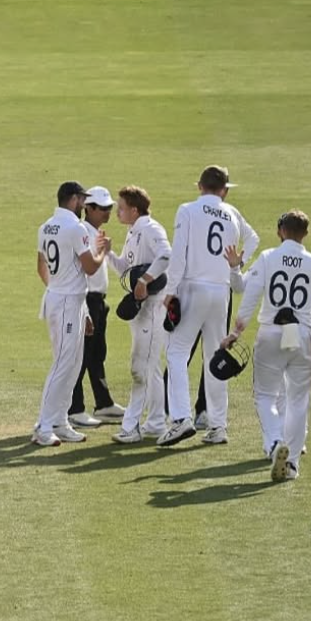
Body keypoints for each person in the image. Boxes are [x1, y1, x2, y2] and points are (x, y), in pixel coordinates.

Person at [220, 210, 311, 482]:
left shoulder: (267, 257)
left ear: (279, 231)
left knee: (265, 396)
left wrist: (235, 332)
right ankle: (292, 464)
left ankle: (274, 442)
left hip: (271, 331)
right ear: (305, 233)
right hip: (301, 333)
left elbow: (244, 293)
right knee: (298, 400)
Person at [160, 164, 259, 447]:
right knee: (215, 358)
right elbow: (254, 238)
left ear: (199, 186)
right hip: (221, 290)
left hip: (193, 286)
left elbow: (179, 253)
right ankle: (218, 426)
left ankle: (180, 419)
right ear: (224, 191)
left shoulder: (187, 210)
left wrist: (169, 290)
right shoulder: (232, 213)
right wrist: (239, 263)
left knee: (177, 352)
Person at [32, 182, 111, 446]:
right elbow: (90, 268)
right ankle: (43, 426)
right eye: (82, 200)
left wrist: (75, 303)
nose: (83, 205)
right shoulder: (75, 228)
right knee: (63, 365)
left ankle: (60, 421)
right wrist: (103, 252)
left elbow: (41, 268)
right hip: (67, 302)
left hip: (65, 300)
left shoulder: (45, 227)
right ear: (74, 199)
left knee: (73, 364)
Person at [108, 185, 172, 444]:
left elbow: (166, 255)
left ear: (135, 210)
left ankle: (130, 427)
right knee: (151, 366)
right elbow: (126, 269)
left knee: (139, 367)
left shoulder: (150, 228)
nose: (117, 213)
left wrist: (145, 280)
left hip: (153, 307)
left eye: (121, 208)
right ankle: (156, 422)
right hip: (139, 307)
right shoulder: (134, 231)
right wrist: (107, 254)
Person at [68, 185, 125, 427]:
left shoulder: (94, 232)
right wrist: (104, 250)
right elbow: (87, 267)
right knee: (82, 355)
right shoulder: (82, 231)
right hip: (87, 298)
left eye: (109, 208)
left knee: (96, 354)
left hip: (98, 299)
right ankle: (74, 408)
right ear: (87, 208)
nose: (107, 212)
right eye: (102, 208)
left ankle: (103, 403)